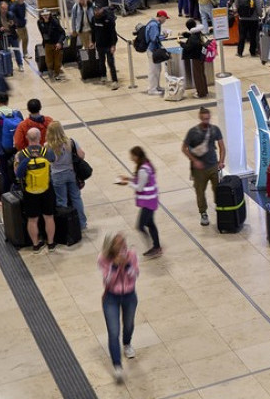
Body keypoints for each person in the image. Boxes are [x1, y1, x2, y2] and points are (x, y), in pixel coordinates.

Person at [99, 232, 140, 383]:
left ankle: (127, 343)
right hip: (111, 297)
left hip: (129, 295)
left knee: (128, 324)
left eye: (124, 242)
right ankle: (117, 366)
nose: (123, 246)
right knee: (113, 331)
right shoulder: (103, 259)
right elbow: (107, 281)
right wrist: (115, 266)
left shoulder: (132, 254)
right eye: (119, 243)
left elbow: (135, 274)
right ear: (112, 246)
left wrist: (127, 264)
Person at [14, 129, 58, 254]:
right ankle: (51, 243)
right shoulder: (47, 152)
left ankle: (35, 245)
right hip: (46, 189)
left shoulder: (21, 154)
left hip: (30, 191)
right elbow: (54, 160)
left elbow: (17, 173)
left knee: (32, 219)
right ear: (40, 137)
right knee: (49, 217)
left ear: (27, 138)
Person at [182, 106, 226, 227]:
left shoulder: (215, 130)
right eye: (204, 119)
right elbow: (184, 148)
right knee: (200, 192)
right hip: (199, 170)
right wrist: (194, 161)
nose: (206, 121)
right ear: (200, 118)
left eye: (208, 119)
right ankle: (203, 213)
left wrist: (221, 161)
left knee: (218, 189)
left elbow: (222, 146)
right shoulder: (193, 132)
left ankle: (220, 207)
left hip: (213, 166)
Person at [116, 146, 162, 259]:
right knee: (150, 224)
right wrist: (128, 178)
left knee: (140, 226)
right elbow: (142, 180)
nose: (131, 158)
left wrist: (127, 184)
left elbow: (140, 187)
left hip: (148, 202)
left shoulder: (142, 169)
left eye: (132, 156)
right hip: (151, 200)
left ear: (136, 156)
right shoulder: (147, 164)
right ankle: (156, 246)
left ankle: (153, 246)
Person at [47, 121, 87, 231]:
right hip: (71, 173)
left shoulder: (48, 146)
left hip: (57, 176)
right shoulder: (71, 142)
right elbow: (82, 155)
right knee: (76, 198)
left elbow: (47, 161)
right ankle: (82, 223)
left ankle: (66, 227)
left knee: (61, 201)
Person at [89, 3, 121, 89]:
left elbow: (113, 33)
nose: (96, 12)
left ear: (102, 9)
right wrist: (92, 41)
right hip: (99, 44)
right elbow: (93, 31)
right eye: (95, 10)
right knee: (101, 61)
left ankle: (115, 80)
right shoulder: (93, 19)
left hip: (108, 44)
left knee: (111, 62)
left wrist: (113, 45)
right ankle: (103, 76)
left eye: (98, 10)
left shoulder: (108, 19)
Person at [144, 10, 168, 96]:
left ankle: (156, 86)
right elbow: (154, 38)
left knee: (157, 69)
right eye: (165, 18)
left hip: (154, 49)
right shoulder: (154, 25)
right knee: (153, 70)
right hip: (152, 50)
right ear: (161, 17)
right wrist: (164, 36)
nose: (165, 20)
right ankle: (152, 89)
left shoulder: (154, 23)